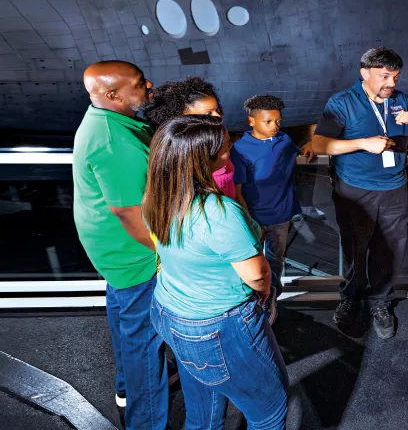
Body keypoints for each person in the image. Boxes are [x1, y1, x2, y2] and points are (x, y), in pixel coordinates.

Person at [145, 115, 289, 429]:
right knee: (270, 412)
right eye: (224, 149)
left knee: (203, 414)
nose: (231, 151)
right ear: (201, 161)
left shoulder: (157, 197)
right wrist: (264, 294)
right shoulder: (219, 212)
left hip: (169, 311)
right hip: (217, 328)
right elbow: (256, 275)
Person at [72, 60, 169, 429]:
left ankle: (125, 390)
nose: (149, 85)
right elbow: (130, 213)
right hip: (135, 256)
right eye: (139, 83)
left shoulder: (106, 118)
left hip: (113, 253)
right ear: (113, 94)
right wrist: (166, 256)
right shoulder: (115, 141)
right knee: (146, 346)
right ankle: (145, 423)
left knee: (126, 325)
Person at [312, 47, 408, 338]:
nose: (391, 84)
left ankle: (380, 302)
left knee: (390, 250)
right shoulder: (342, 102)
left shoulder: (402, 101)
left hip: (394, 189)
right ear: (365, 74)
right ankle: (351, 297)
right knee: (356, 248)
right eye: (384, 76)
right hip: (355, 191)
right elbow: (319, 145)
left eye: (395, 77)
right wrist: (362, 143)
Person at [230, 94, 305, 319]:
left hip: (281, 214)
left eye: (278, 121)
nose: (275, 127)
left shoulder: (284, 140)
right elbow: (239, 189)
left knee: (276, 260)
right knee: (252, 263)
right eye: (268, 122)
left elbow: (296, 152)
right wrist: (250, 220)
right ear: (251, 121)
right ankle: (254, 303)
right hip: (255, 217)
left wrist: (307, 147)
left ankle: (272, 300)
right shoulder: (240, 149)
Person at [143, 76, 246, 207]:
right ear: (181, 117)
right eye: (208, 114)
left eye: (218, 110)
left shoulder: (221, 140)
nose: (218, 117)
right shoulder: (180, 159)